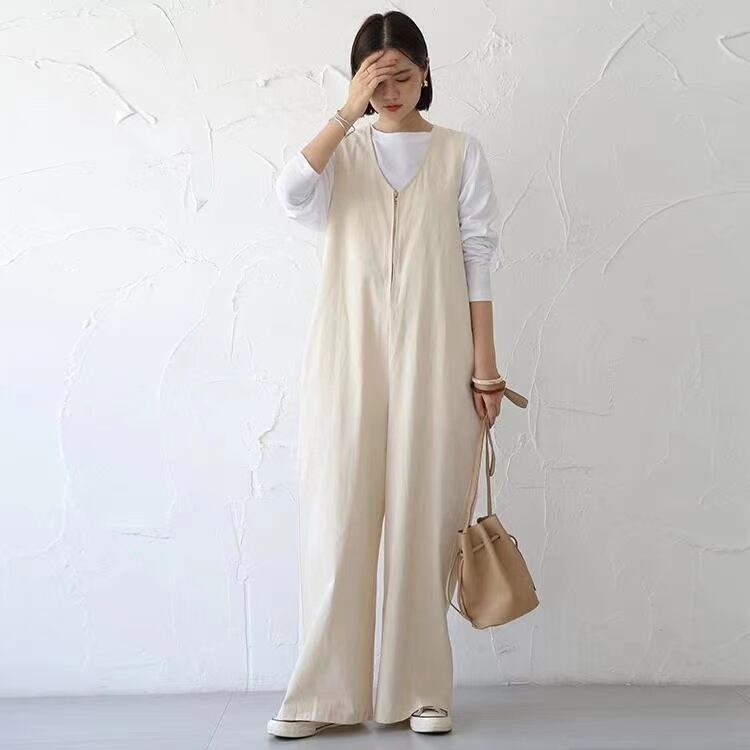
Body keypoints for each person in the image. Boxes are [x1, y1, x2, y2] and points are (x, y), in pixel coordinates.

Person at [267, 10, 510, 740]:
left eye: (402, 75)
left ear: (426, 73)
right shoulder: (341, 155)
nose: (390, 91)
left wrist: (486, 368)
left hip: (439, 353)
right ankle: (322, 695)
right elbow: (289, 194)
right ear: (357, 84)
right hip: (347, 353)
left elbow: (477, 259)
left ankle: (420, 691)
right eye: (375, 81)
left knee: (423, 519)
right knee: (337, 517)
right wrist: (346, 113)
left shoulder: (460, 153)